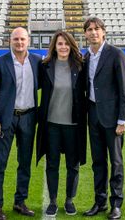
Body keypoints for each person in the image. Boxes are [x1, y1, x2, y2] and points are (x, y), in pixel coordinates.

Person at [0, 27, 41, 219]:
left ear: (28, 41)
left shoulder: (36, 62)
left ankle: (20, 202)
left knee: (24, 163)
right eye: (16, 39)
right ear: (10, 40)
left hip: (28, 118)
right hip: (5, 119)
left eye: (23, 39)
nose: (19, 42)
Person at [82, 17, 125, 220]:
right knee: (98, 162)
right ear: (85, 34)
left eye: (97, 29)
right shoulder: (86, 57)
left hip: (112, 118)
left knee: (116, 162)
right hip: (93, 116)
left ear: (104, 32)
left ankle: (116, 204)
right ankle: (100, 201)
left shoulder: (116, 54)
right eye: (89, 29)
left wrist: (122, 119)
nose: (93, 32)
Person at [35, 31, 87, 217]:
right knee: (52, 165)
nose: (63, 47)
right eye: (59, 44)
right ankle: (53, 201)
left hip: (73, 125)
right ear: (54, 47)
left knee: (72, 165)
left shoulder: (81, 66)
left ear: (71, 45)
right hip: (51, 125)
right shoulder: (45, 66)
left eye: (66, 43)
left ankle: (69, 200)